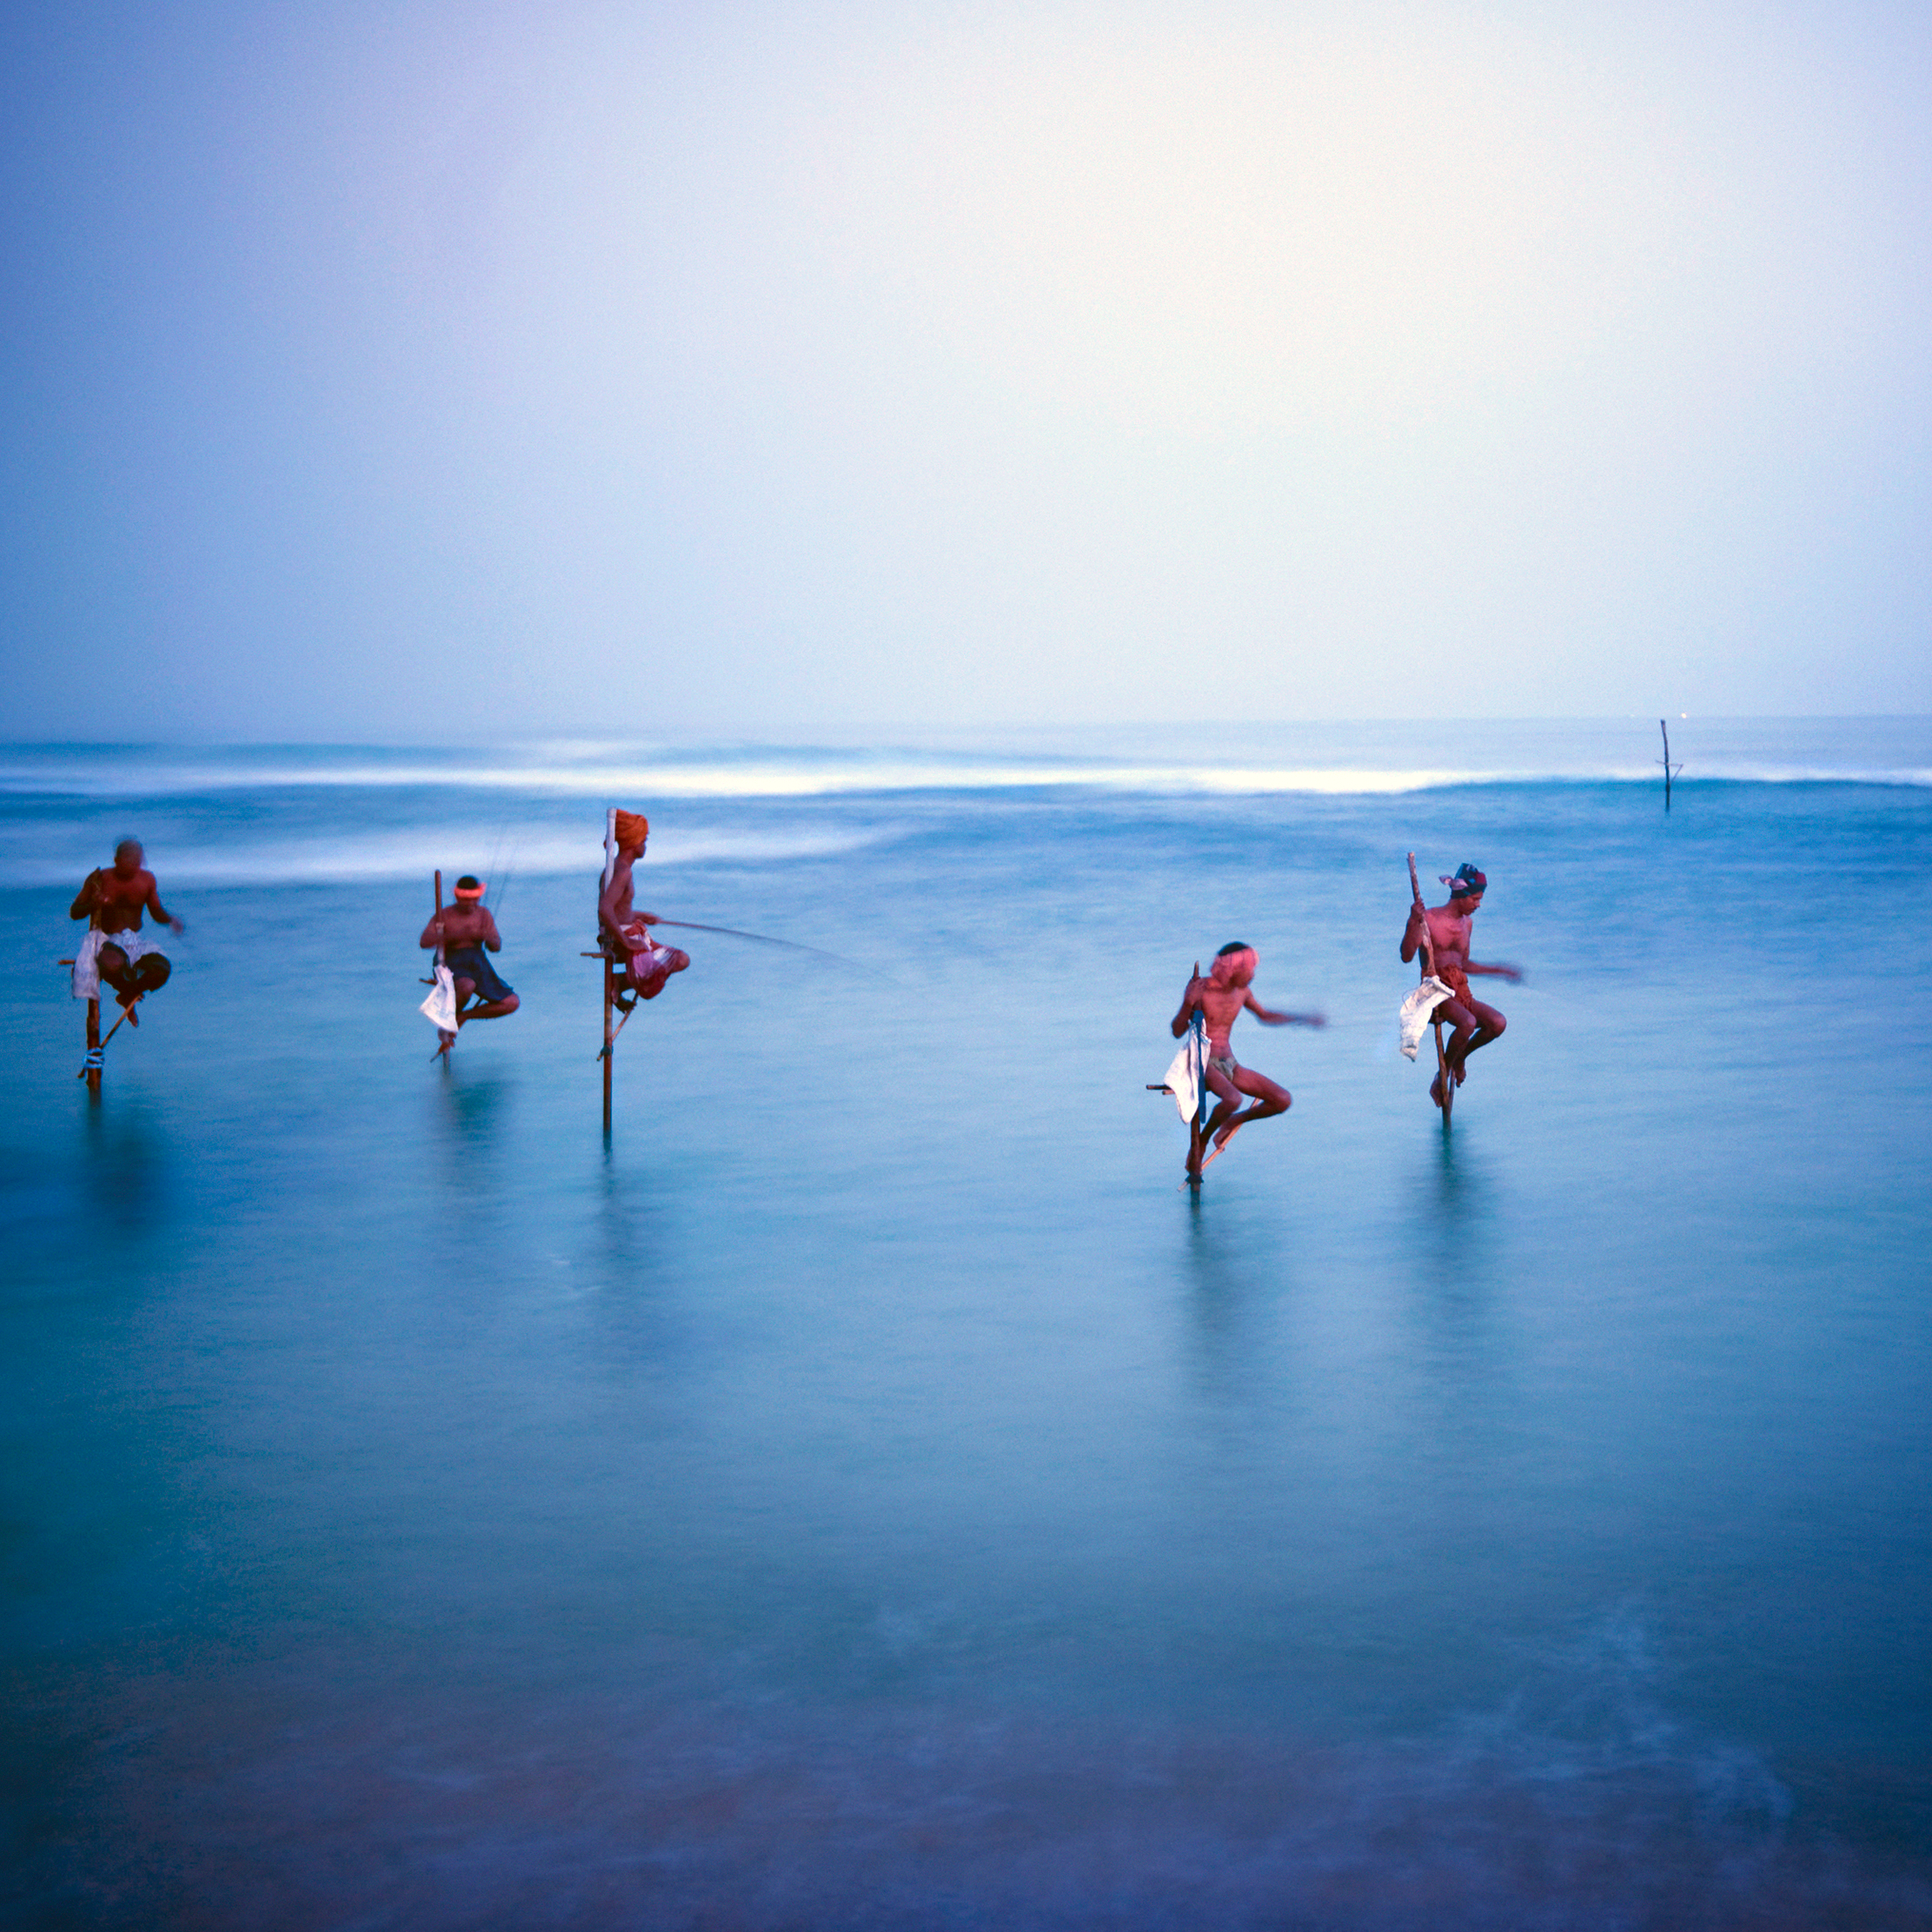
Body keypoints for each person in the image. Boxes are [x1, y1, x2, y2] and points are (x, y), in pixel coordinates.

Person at [1171, 942, 1325, 1181]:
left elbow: (1264, 1016)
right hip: (1203, 1063)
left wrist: (1301, 1018)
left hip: (1229, 1062)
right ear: (1232, 970)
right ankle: (1200, 1143)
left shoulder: (1241, 992)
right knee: (1233, 1098)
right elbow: (1177, 1030)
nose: (1252, 975)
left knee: (1282, 1100)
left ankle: (1232, 1120)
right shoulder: (1201, 990)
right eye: (1249, 969)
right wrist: (1188, 1001)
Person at [1400, 862, 1522, 1108]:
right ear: (1462, 895)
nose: (1478, 904)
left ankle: (1459, 1058)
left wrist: (1499, 970)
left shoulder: (1467, 924)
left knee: (1498, 1023)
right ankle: (1442, 1076)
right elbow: (1406, 955)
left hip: (1460, 988)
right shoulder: (1429, 919)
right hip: (1436, 990)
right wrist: (1413, 921)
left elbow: (1463, 963)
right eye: (1475, 899)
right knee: (1468, 1023)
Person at [70, 839, 183, 1022]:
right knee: (110, 963)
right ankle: (127, 992)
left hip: (135, 941)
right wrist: (94, 903)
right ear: (116, 860)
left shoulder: (147, 880)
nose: (134, 865)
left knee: (161, 969)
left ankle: (128, 994)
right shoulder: (99, 879)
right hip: (107, 940)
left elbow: (156, 912)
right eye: (129, 860)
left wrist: (171, 920)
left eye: (138, 861)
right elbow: (75, 912)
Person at [598, 811, 688, 1007]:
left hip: (628, 930)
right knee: (678, 960)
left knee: (681, 959)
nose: (645, 845)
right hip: (622, 938)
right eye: (644, 840)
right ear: (634, 842)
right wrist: (627, 942)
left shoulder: (619, 869)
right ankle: (622, 981)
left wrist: (639, 915)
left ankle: (621, 982)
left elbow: (617, 909)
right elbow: (605, 910)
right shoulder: (622, 872)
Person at [419, 876, 519, 1048]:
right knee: (467, 985)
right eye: (465, 900)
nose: (470, 904)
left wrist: (488, 937)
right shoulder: (445, 915)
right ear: (457, 897)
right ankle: (447, 1023)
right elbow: (425, 942)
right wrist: (453, 936)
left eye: (473, 900)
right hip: (451, 961)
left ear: (478, 898)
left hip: (477, 962)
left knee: (511, 1003)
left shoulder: (483, 914)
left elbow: (496, 947)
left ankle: (462, 1016)